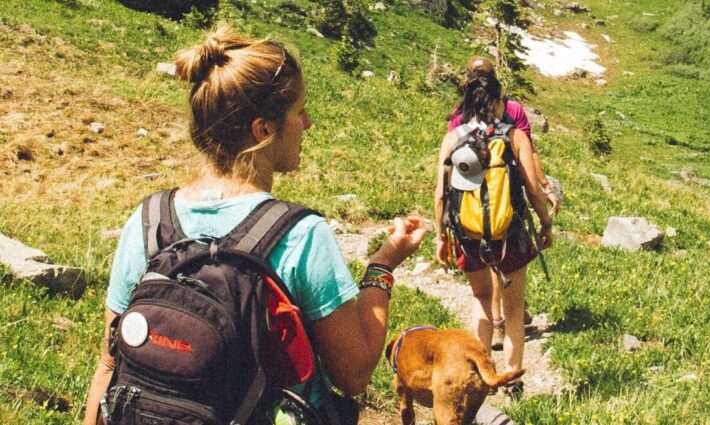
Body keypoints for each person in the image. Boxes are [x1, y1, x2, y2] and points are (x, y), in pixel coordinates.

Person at [83, 26, 426, 425]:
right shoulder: (300, 234)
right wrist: (382, 269)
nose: (308, 123)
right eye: (299, 111)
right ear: (264, 130)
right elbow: (354, 374)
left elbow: (109, 367)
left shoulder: (150, 222)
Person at [434, 57, 554, 398]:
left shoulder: (452, 137)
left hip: (468, 234)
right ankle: (513, 381)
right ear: (498, 97)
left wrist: (441, 236)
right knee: (514, 309)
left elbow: (441, 193)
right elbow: (532, 186)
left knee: (481, 299)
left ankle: (480, 377)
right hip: (510, 232)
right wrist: (545, 224)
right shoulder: (513, 135)